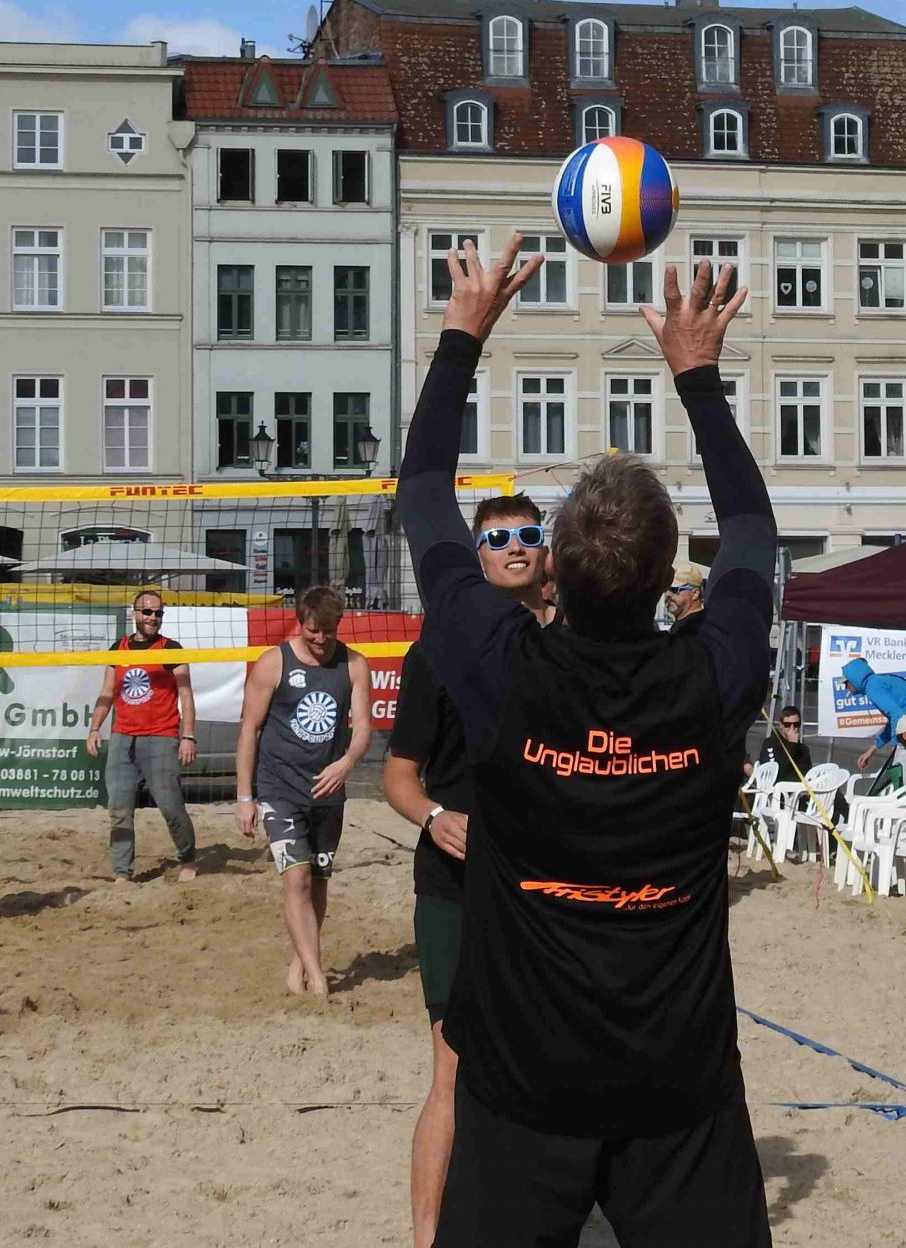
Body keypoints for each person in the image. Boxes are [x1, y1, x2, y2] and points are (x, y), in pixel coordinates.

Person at [404, 243, 773, 1245]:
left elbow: (424, 492)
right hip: (678, 1079)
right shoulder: (712, 672)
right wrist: (697, 375)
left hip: (525, 1081)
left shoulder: (498, 667)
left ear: (555, 570)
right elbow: (752, 528)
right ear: (667, 574)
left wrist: (462, 337)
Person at [385, 488, 555, 1248]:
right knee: (452, 1072)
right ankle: (428, 1237)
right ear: (475, 559)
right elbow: (399, 777)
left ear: (547, 553)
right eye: (496, 539)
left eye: (527, 535)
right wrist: (433, 815)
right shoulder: (437, 652)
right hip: (454, 883)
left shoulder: (574, 649)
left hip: (544, 891)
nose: (514, 547)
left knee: (542, 1068)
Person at [236, 585, 372, 997]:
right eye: (313, 630)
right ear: (301, 623)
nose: (320, 638)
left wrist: (346, 763)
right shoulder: (273, 662)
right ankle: (319, 979)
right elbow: (249, 729)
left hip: (328, 789)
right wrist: (244, 798)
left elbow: (363, 728)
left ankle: (300, 963)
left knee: (318, 881)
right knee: (295, 878)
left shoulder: (354, 665)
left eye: (328, 631)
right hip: (279, 787)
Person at [83, 590, 198, 886]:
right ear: (134, 613)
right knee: (119, 808)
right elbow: (107, 692)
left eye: (158, 613)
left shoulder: (171, 649)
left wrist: (188, 736)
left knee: (170, 806)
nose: (153, 618)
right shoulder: (119, 648)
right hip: (123, 737)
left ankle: (187, 857)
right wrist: (95, 728)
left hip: (161, 737)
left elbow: (186, 696)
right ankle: (123, 872)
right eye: (147, 612)